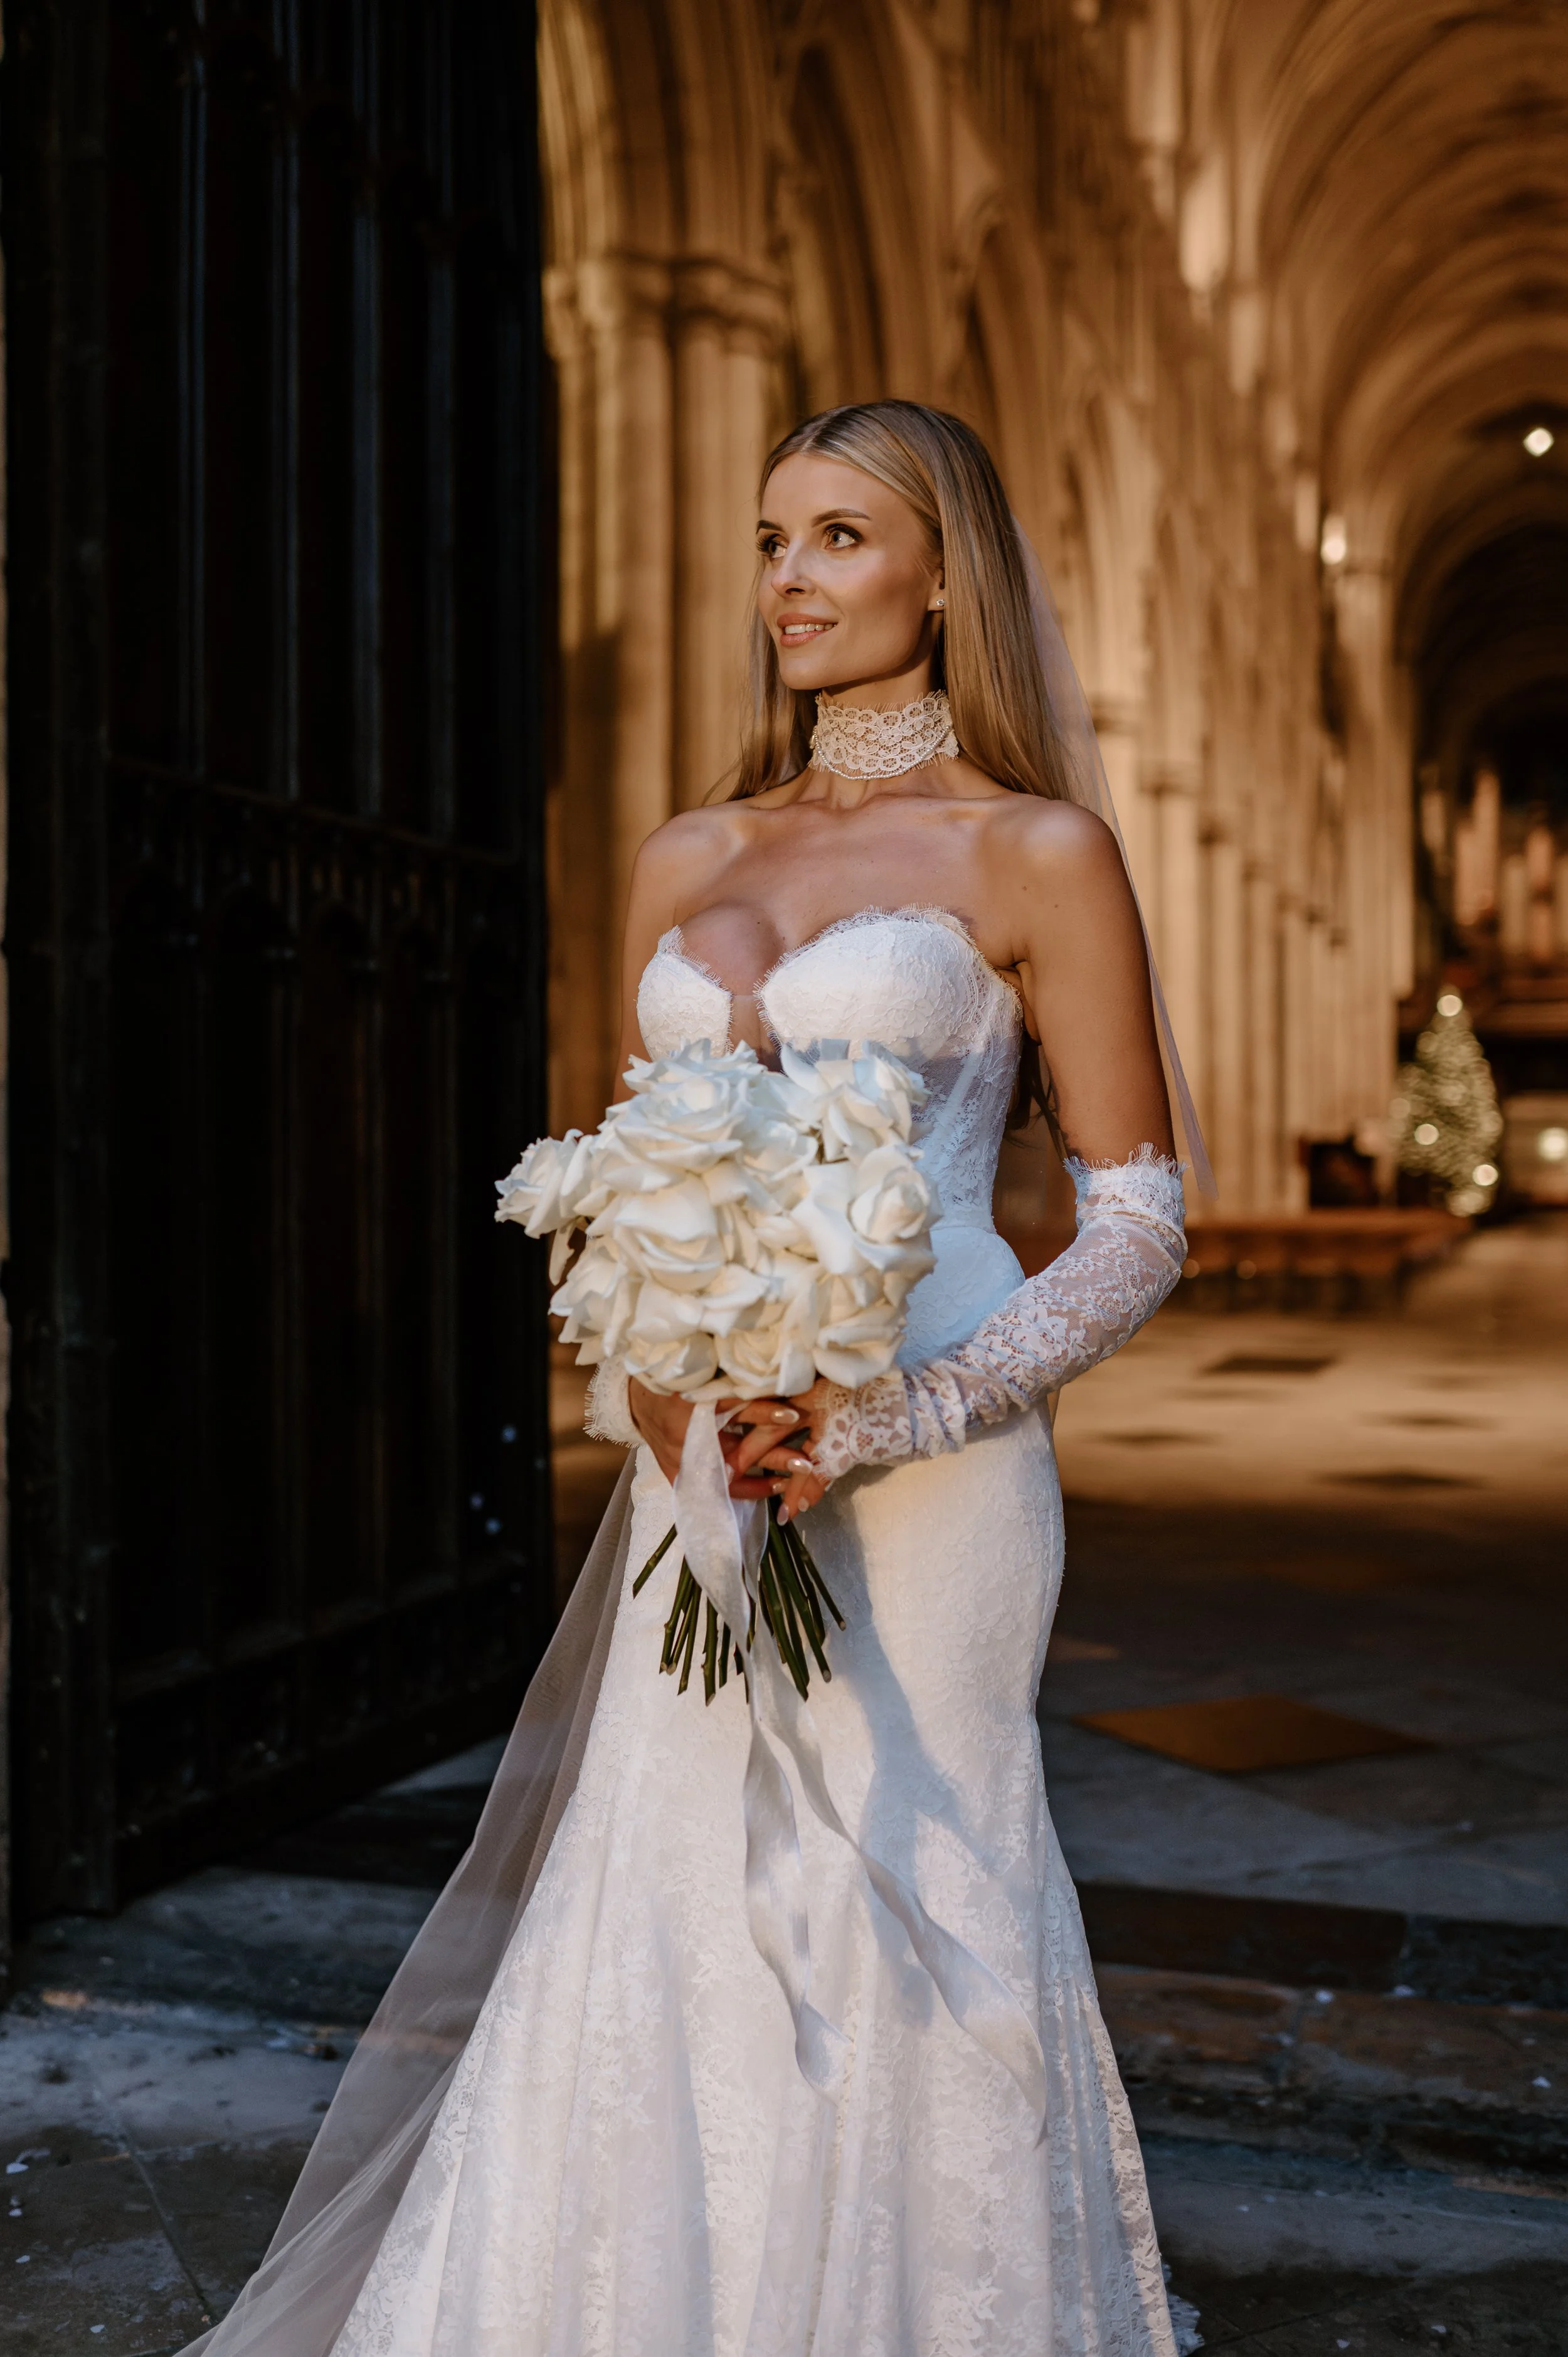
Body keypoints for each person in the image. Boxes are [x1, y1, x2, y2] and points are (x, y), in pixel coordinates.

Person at [192, 401, 1192, 2356]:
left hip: (929, 1465)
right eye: (767, 541)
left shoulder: (1034, 847)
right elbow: (638, 1170)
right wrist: (641, 1385)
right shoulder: (691, 845)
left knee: (923, 1871)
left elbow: (1141, 1214)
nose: (787, 583)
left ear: (940, 569)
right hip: (701, 1468)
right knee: (664, 1883)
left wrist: (891, 1414)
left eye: (835, 537)